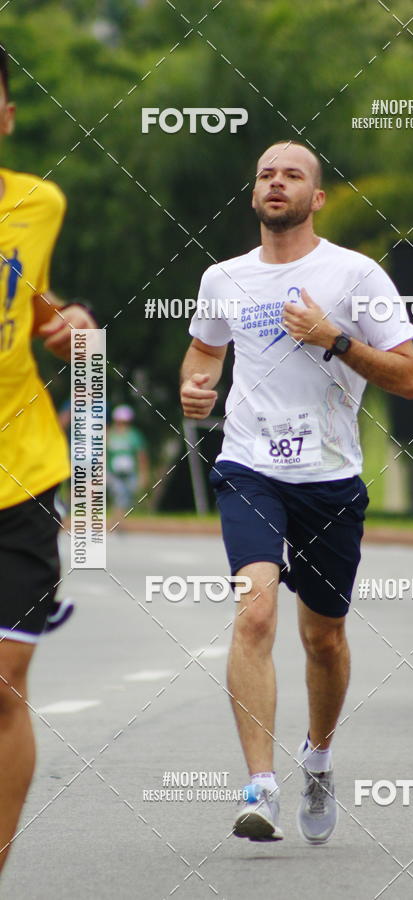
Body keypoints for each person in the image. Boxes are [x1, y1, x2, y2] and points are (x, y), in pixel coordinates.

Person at [180, 140, 413, 843]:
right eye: (265, 175)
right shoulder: (222, 277)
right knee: (254, 614)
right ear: (253, 195)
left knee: (324, 639)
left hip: (330, 479)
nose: (276, 183)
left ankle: (317, 755)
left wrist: (334, 338)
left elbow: (407, 379)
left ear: (317, 198)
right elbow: (204, 351)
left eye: (292, 175)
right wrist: (196, 389)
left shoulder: (355, 273)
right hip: (250, 468)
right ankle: (260, 785)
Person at [0, 49, 96, 871]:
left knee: (3, 682)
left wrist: (66, 323)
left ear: (5, 117)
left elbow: (32, 301)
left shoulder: (40, 203)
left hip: (20, 472)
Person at [107, 403, 149, 523]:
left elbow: (141, 456)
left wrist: (143, 474)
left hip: (130, 472)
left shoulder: (134, 435)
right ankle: (117, 520)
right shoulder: (110, 435)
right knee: (119, 493)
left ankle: (118, 518)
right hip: (114, 472)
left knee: (128, 495)